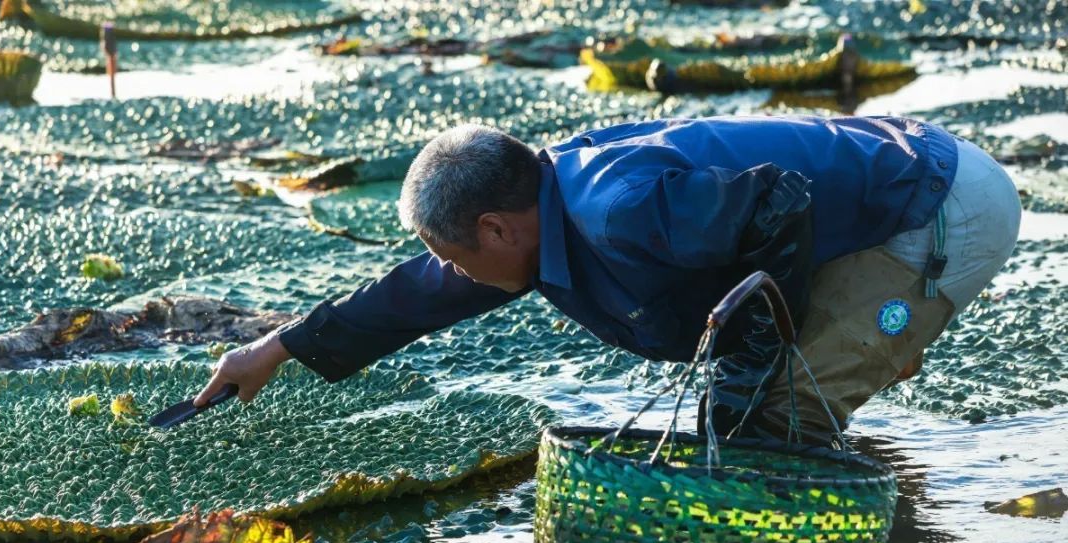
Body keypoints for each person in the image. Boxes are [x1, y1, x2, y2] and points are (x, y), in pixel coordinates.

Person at [195, 117, 1021, 446]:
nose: (451, 272)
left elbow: (777, 208)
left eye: (454, 252)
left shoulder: (620, 207)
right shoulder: (530, 212)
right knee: (754, 414)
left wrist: (751, 353)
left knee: (774, 418)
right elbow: (423, 290)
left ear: (494, 229)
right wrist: (281, 346)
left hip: (937, 203)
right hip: (874, 190)